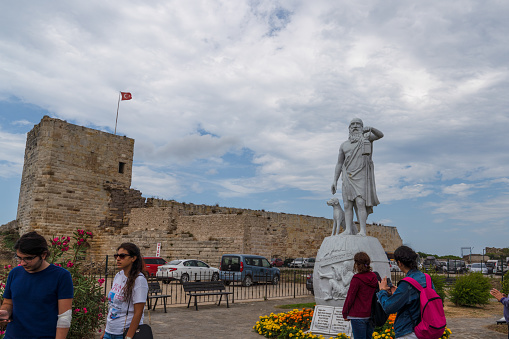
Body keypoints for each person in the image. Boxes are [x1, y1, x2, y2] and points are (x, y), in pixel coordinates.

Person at [0, 231, 74, 338]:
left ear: (43, 255)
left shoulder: (61, 276)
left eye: (28, 258)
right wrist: (5, 312)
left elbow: (64, 317)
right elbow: (8, 303)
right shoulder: (14, 273)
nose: (22, 263)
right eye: (19, 257)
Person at [331, 118, 384, 236]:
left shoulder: (366, 139)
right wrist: (334, 180)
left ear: (362, 127)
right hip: (347, 176)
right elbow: (339, 163)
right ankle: (348, 230)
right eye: (352, 125)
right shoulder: (344, 145)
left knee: (360, 202)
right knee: (347, 204)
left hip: (361, 175)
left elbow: (380, 135)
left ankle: (363, 231)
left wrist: (371, 129)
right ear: (349, 129)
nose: (355, 126)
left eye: (357, 124)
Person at [377, 245, 435, 339]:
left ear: (399, 263)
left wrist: (382, 291)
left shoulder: (407, 284)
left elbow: (388, 307)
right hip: (427, 328)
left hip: (409, 331)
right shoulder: (427, 278)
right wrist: (399, 293)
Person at [102, 243, 149, 339]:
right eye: (117, 256)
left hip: (123, 333)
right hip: (110, 332)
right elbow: (112, 306)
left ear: (133, 258)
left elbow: (138, 312)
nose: (118, 259)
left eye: (122, 256)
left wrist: (128, 337)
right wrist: (105, 330)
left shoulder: (139, 280)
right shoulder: (118, 275)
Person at [342, 252, 378, 339]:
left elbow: (350, 298)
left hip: (358, 315)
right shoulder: (374, 277)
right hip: (371, 314)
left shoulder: (357, 279)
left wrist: (345, 313)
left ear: (356, 264)